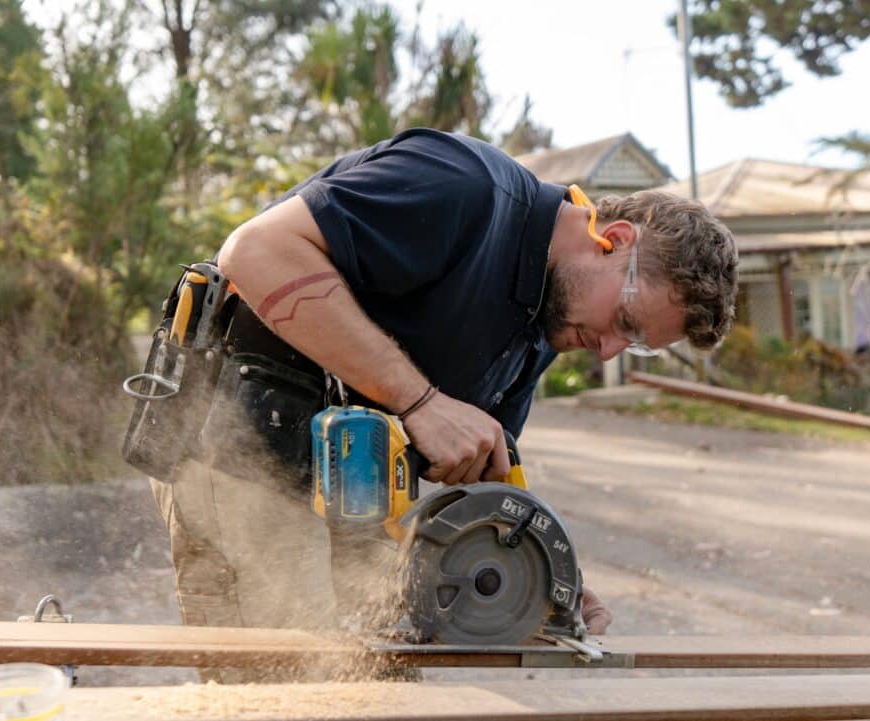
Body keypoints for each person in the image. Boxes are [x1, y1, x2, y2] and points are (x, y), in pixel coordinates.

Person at [149, 128, 738, 682]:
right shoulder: (463, 187)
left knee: (385, 677)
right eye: (625, 323)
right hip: (245, 449)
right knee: (295, 687)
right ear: (616, 241)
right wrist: (420, 401)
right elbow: (255, 251)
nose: (609, 349)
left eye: (635, 346)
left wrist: (543, 574)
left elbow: (483, 468)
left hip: (351, 492)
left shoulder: (547, 318)